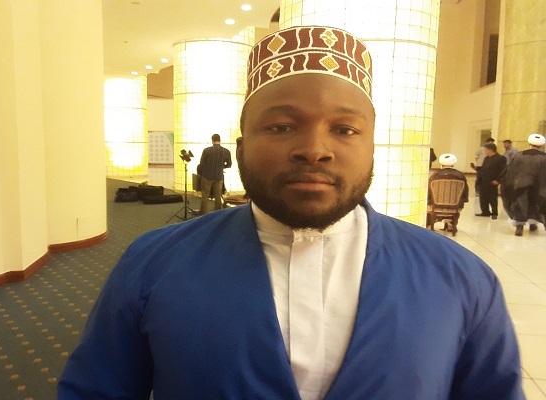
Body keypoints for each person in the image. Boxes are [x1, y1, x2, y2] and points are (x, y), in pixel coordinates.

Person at [58, 26, 524, 399]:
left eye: (345, 129)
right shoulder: (153, 263)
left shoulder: (461, 279)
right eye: (282, 126)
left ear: (372, 148)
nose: (314, 149)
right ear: (242, 147)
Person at [501, 133, 546, 236]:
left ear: (529, 143)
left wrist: (509, 185)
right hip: (540, 188)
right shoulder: (544, 157)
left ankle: (519, 227)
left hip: (521, 186)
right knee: (537, 204)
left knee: (520, 205)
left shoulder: (519, 155)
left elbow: (511, 171)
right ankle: (533, 224)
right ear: (541, 145)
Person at [427, 153, 469, 231]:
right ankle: (451, 224)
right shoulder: (461, 176)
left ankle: (429, 224)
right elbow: (465, 193)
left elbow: (429, 192)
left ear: (441, 164)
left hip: (434, 206)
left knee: (428, 206)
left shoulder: (434, 175)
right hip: (455, 207)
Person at [198, 133, 232, 214]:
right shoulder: (226, 151)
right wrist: (222, 167)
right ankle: (217, 213)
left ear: (212, 140)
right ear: (220, 140)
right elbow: (229, 164)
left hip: (207, 176)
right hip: (219, 176)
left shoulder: (206, 150)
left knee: (205, 195)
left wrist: (202, 172)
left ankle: (204, 213)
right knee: (218, 196)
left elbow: (202, 164)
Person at [475, 142, 507, 219]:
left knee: (492, 198)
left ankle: (494, 212)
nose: (485, 151)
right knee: (483, 197)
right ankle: (485, 211)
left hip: (492, 181)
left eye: (486, 149)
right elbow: (484, 169)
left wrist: (498, 180)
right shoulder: (486, 158)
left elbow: (504, 171)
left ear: (490, 150)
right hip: (483, 180)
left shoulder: (500, 158)